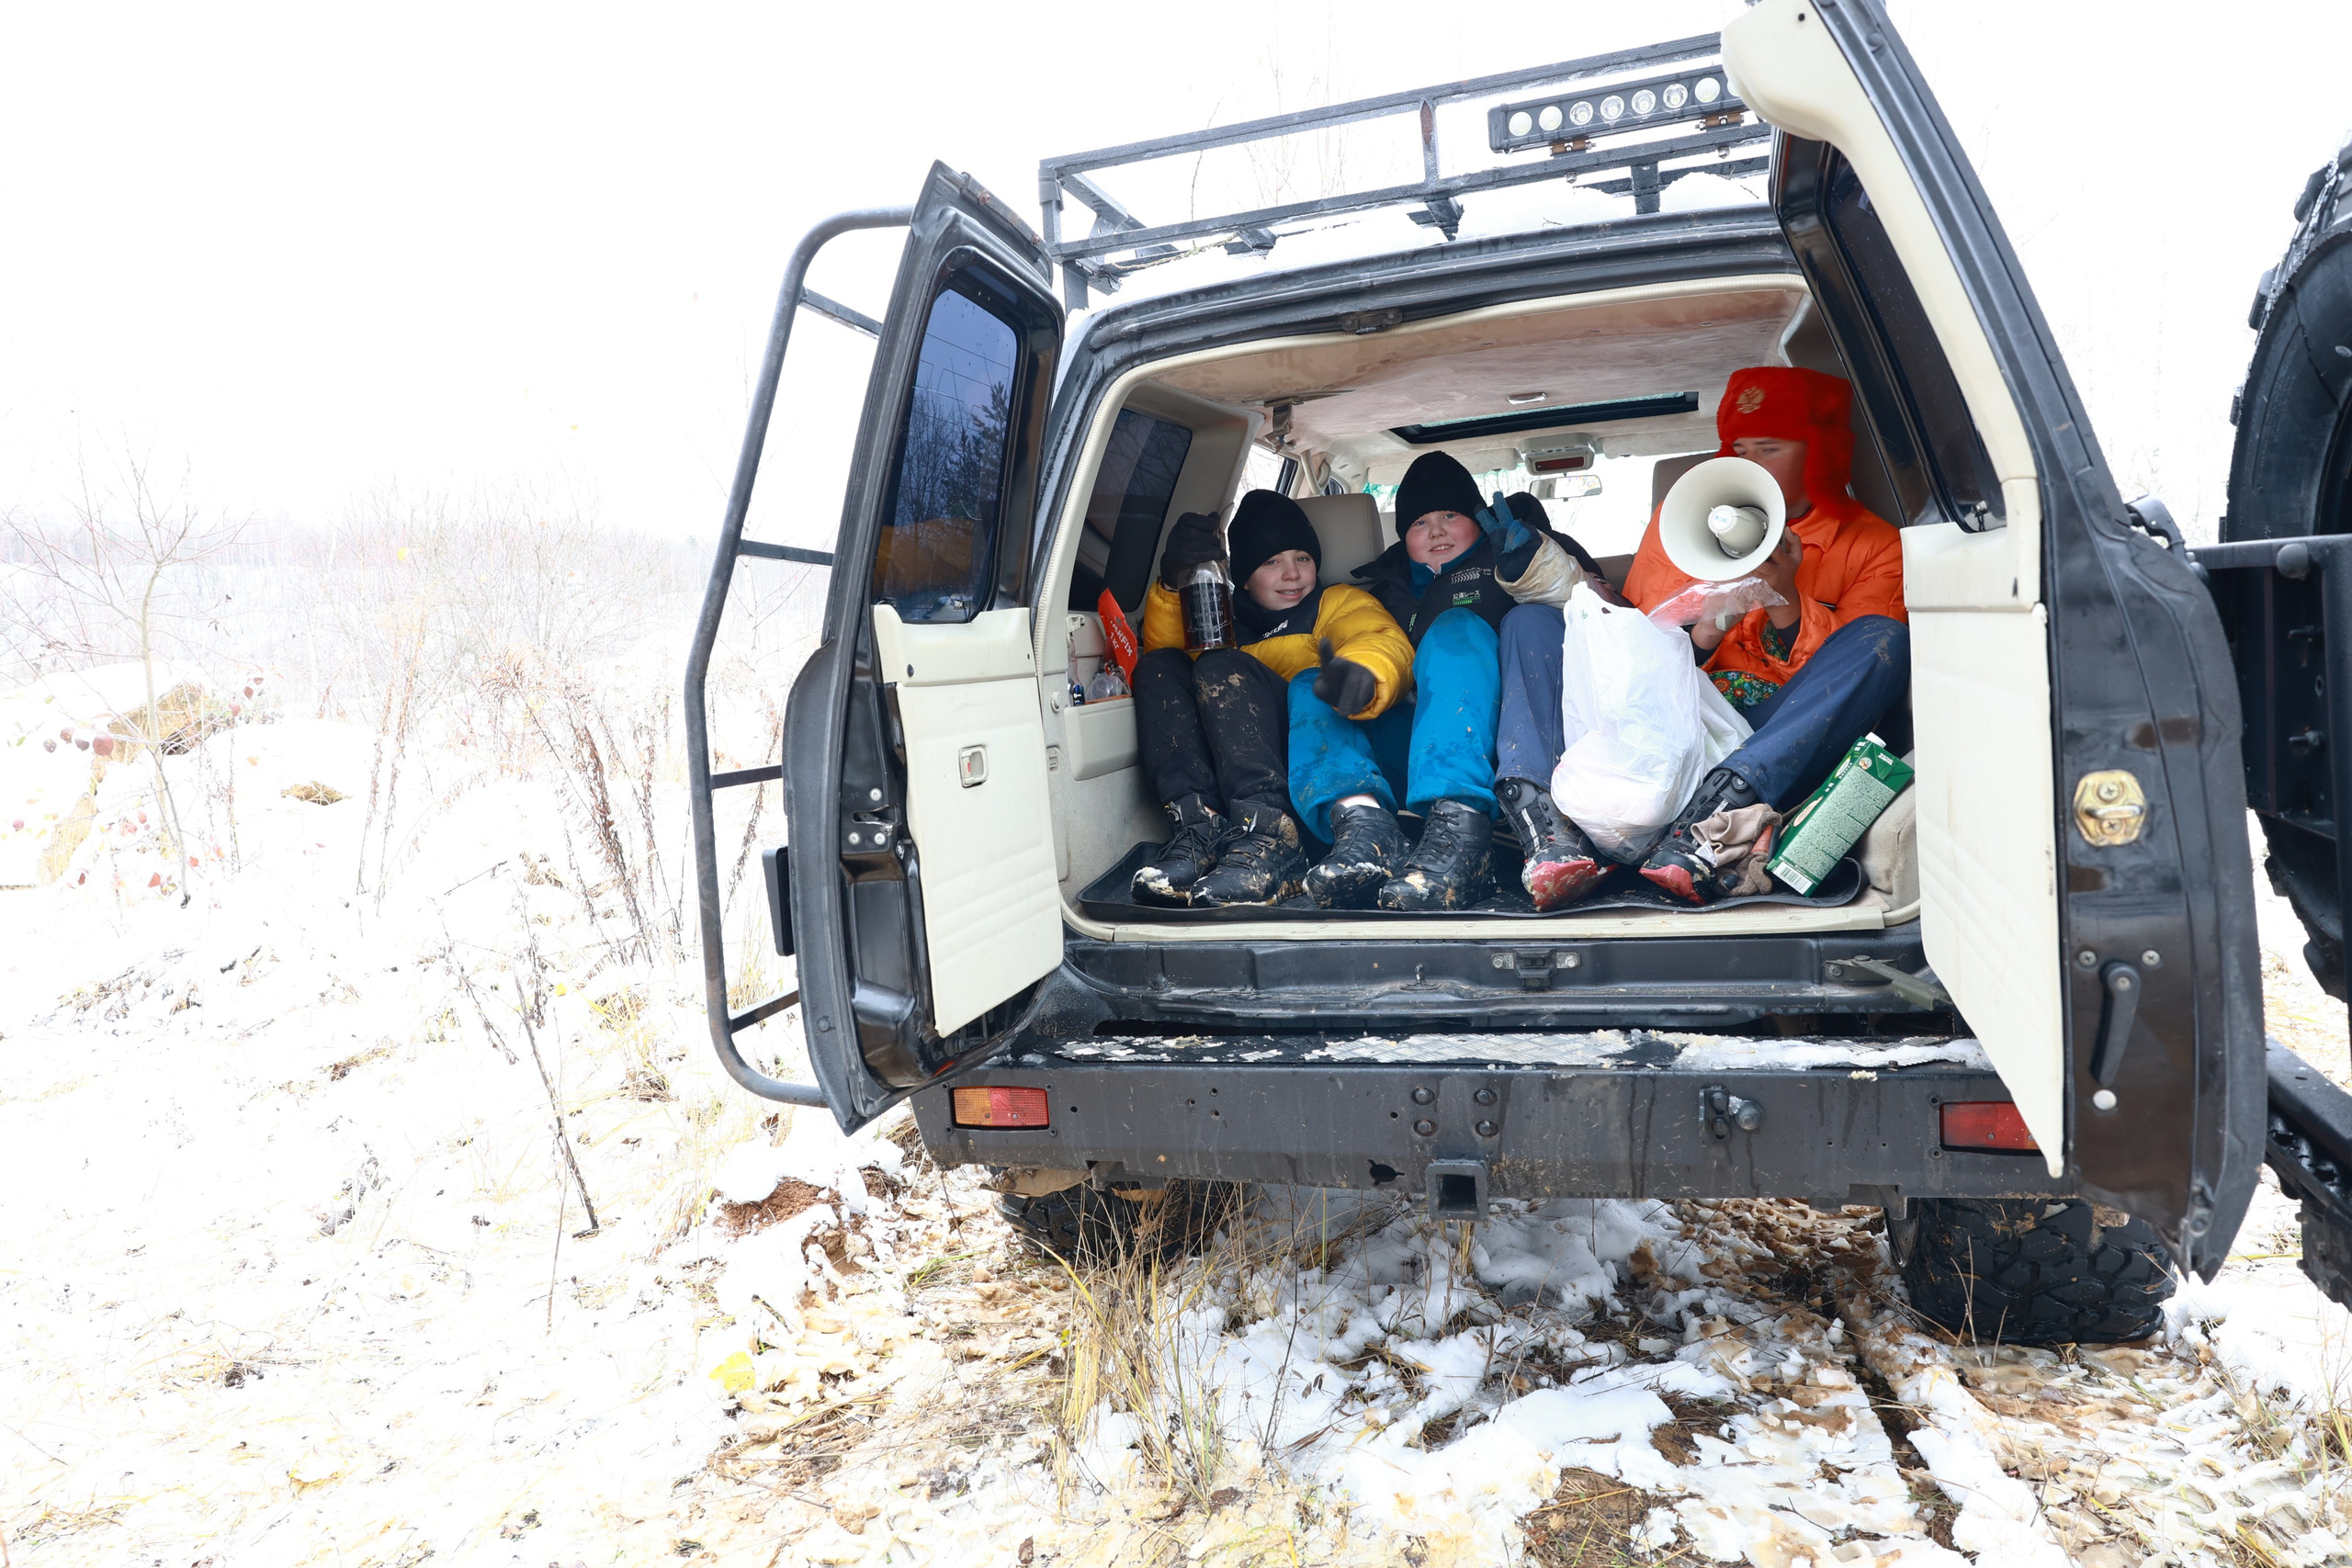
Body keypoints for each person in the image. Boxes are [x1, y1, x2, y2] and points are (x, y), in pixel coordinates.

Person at [1495, 365, 1909, 907]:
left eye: (1771, 447)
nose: (1750, 463)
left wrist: (1785, 600)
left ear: (1820, 451)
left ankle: (1703, 830)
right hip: (1675, 713)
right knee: (1529, 621)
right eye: (1739, 447)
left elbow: (1848, 679)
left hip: (1773, 736)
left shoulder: (1872, 544)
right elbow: (1639, 650)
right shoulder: (1687, 520)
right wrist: (1706, 633)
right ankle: (1548, 833)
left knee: (1882, 639)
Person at [1130, 490, 1412, 908]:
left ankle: (1273, 838)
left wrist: (1362, 673)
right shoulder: (1219, 614)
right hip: (1231, 779)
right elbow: (1172, 651)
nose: (1292, 574)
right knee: (1157, 668)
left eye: (1302, 558)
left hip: (1308, 764)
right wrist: (1173, 583)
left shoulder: (1336, 602)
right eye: (1271, 562)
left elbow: (1378, 639)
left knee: (1217, 667)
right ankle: (1198, 828)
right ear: (1243, 576)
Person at [1334, 451, 1590, 910]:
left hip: (1525, 733)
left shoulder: (1525, 548)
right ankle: (1363, 831)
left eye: (1450, 515)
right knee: (1317, 685)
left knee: (1459, 626)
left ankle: (1463, 829)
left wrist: (1537, 566)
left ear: (1478, 518)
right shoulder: (1382, 594)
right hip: (1425, 747)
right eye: (1419, 523)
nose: (1435, 531)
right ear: (1403, 537)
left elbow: (1610, 614)